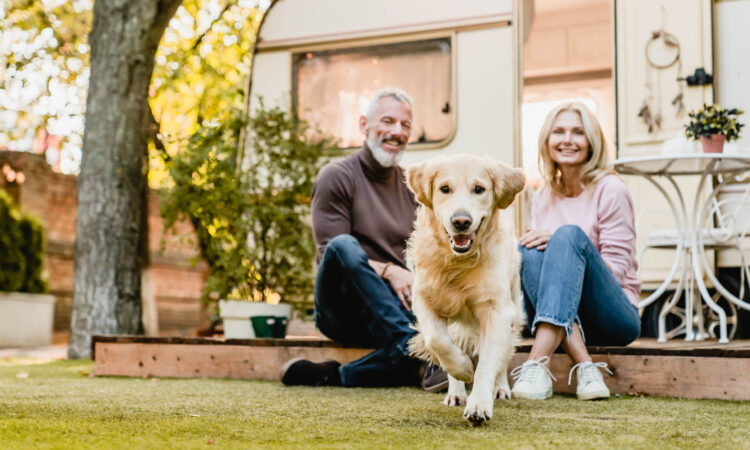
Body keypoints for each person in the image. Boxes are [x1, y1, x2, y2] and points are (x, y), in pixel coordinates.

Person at [280, 88, 447, 390]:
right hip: (343, 309)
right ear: (364, 125)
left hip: (393, 312)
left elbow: (425, 254)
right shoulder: (337, 176)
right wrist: (388, 270)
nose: (397, 131)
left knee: (435, 326)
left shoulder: (412, 186)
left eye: (405, 125)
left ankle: (340, 374)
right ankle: (421, 350)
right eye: (388, 121)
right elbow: (330, 256)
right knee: (343, 246)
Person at [510, 102, 641, 401]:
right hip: (559, 311)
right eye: (559, 132)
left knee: (567, 236)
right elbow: (539, 269)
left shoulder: (611, 189)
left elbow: (616, 272)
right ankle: (586, 367)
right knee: (528, 249)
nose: (567, 139)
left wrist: (562, 242)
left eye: (578, 132)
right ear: (547, 141)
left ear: (592, 142)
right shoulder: (543, 194)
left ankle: (535, 363)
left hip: (613, 316)